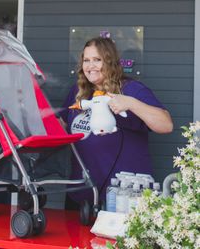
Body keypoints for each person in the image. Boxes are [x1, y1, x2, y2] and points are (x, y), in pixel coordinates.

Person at [60, 37, 173, 208]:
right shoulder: (79, 91)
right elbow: (60, 126)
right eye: (86, 60)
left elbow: (166, 125)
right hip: (80, 195)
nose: (90, 66)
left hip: (122, 197)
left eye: (97, 60)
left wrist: (130, 103)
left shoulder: (132, 89)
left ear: (110, 62)